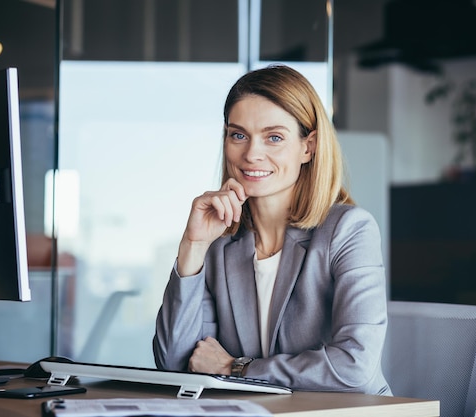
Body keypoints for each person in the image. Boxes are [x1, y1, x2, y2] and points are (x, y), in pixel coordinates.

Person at [153, 64, 391, 395]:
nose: (252, 154)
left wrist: (234, 367)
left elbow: (355, 369)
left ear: (308, 147)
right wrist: (193, 246)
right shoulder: (221, 245)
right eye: (239, 135)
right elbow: (175, 363)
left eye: (274, 137)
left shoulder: (348, 230)